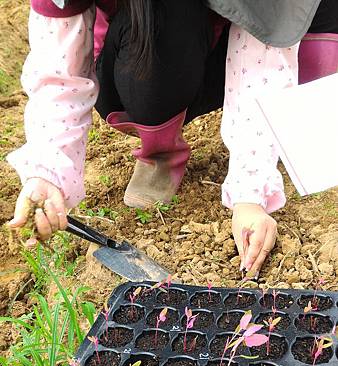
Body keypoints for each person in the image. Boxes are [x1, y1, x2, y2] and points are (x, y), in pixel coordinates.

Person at [7, 0, 338, 275]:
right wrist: (47, 172)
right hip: (143, 52)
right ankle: (161, 152)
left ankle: (288, 131)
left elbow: (265, 46)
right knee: (163, 14)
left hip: (234, 40)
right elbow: (60, 75)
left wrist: (249, 194)